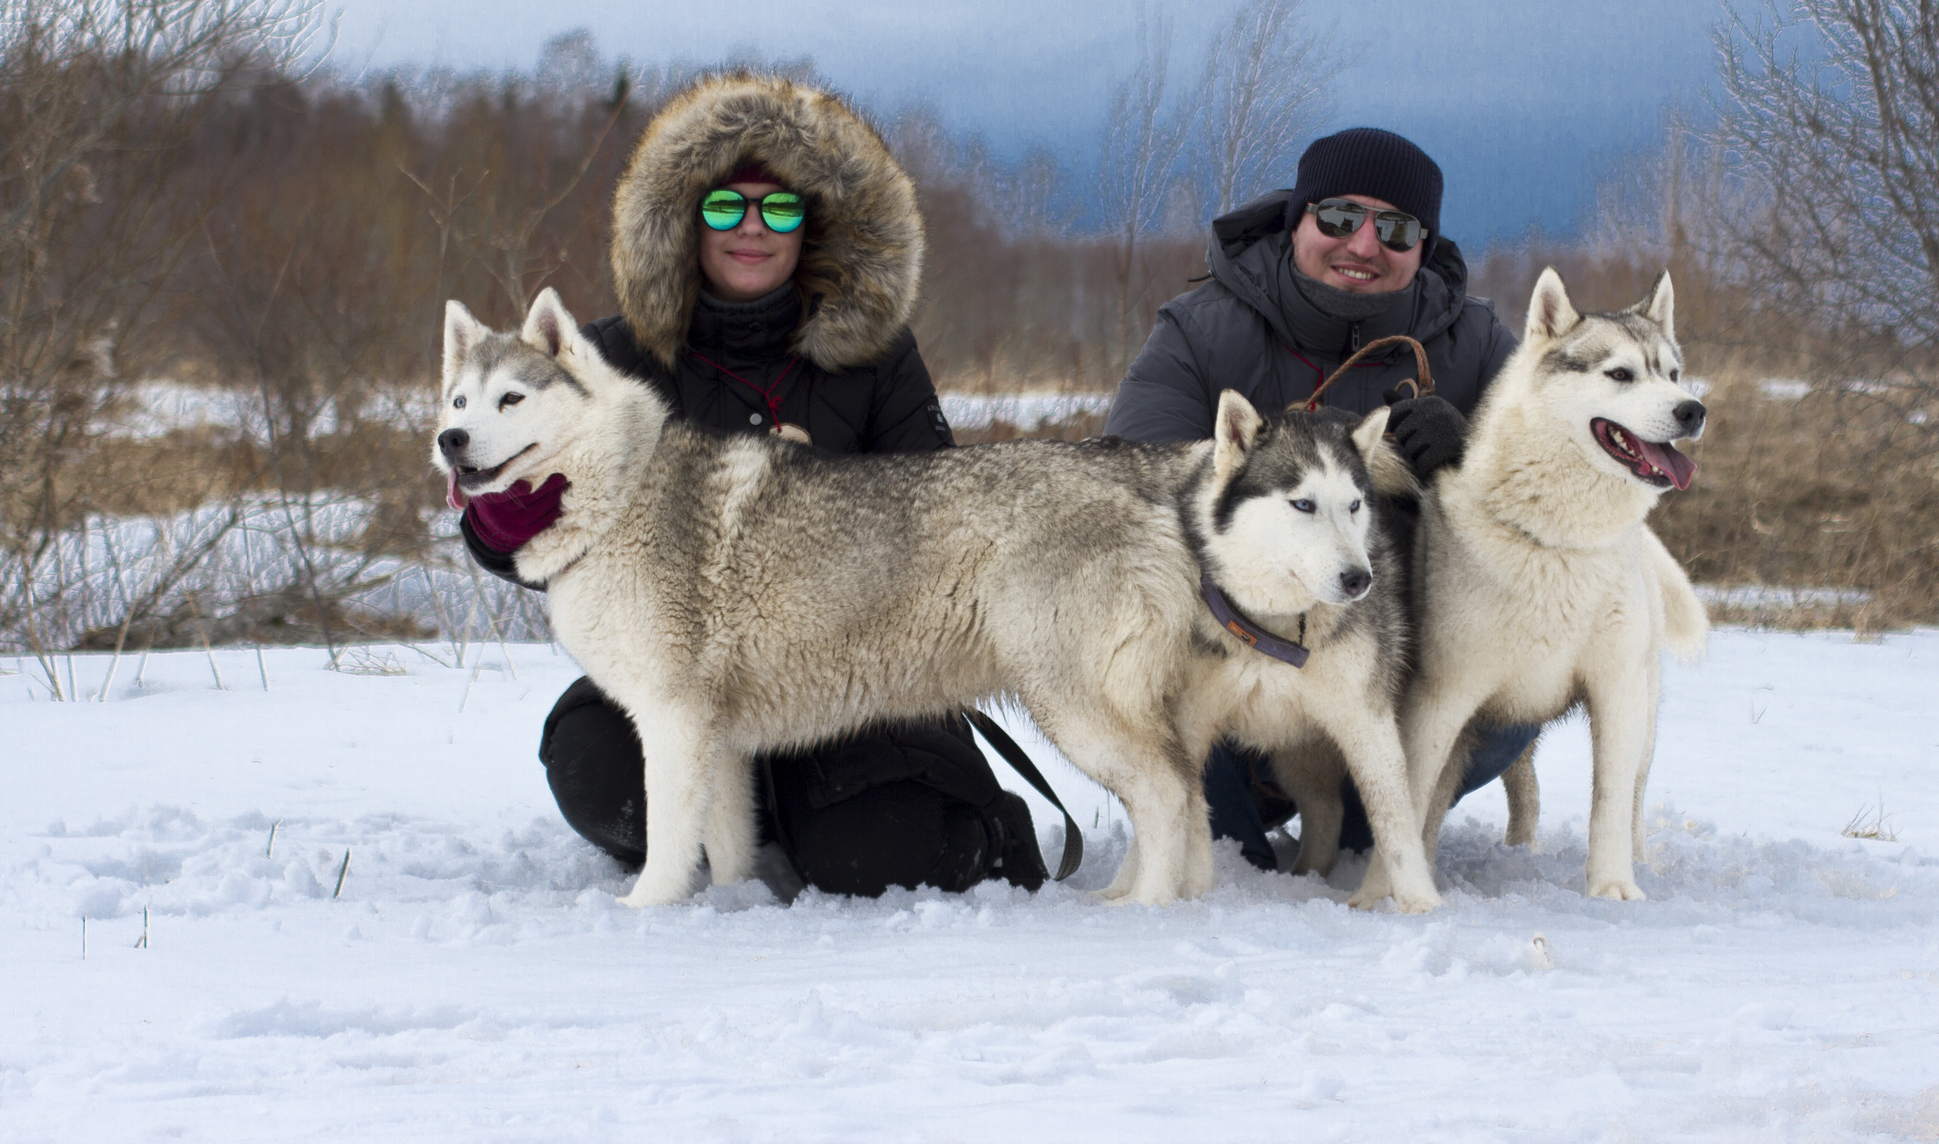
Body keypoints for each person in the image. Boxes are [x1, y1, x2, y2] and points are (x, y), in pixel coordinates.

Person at [458, 72, 1046, 898]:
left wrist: (817, 495)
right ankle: (720, 829)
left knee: (882, 857)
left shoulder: (877, 354)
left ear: (815, 226)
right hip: (685, 667)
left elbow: (943, 507)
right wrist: (506, 513)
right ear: (686, 221)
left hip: (851, 670)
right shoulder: (608, 358)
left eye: (779, 209)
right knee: (595, 772)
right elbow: (497, 515)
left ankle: (947, 823)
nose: (752, 230)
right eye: (726, 207)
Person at [1104, 125, 1539, 870]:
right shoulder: (1204, 331)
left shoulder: (1475, 343)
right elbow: (1129, 487)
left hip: (1394, 668)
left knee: (1524, 662)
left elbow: (1562, 511)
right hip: (1226, 660)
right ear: (1297, 220)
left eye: (1397, 229)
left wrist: (1473, 465)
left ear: (1424, 246)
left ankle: (1371, 810)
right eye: (1339, 218)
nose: (1364, 246)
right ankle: (1230, 795)